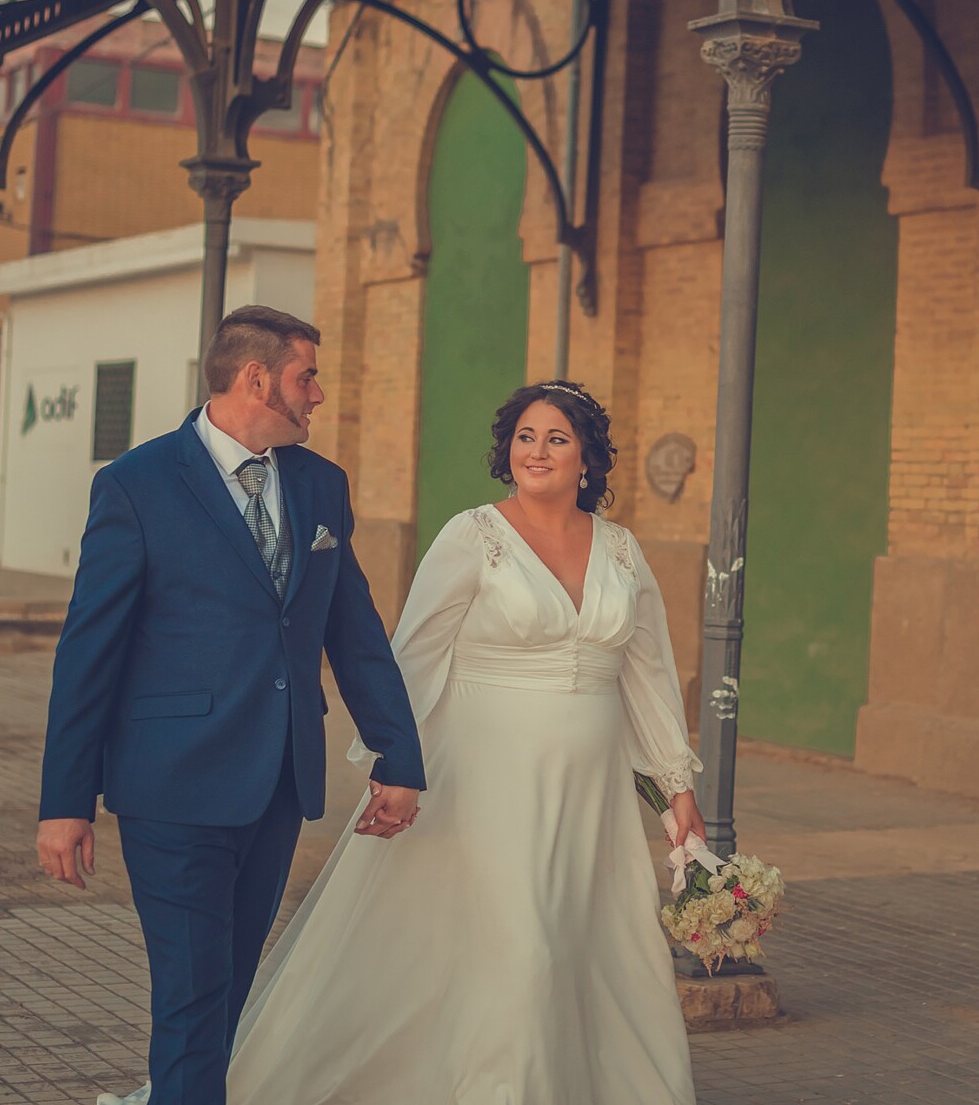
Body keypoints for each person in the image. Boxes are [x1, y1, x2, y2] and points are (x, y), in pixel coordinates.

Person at [224, 379, 703, 1104]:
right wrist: (392, 764)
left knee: (599, 946)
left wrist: (678, 788)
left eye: (557, 438)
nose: (537, 450)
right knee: (523, 946)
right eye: (525, 436)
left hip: (591, 793)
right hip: (488, 781)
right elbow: (412, 657)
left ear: (588, 460)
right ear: (507, 452)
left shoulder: (623, 551)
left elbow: (649, 676)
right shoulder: (471, 535)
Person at [35, 305, 426, 1105]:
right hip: (171, 788)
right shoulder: (136, 485)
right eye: (306, 376)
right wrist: (64, 801)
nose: (318, 394)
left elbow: (354, 632)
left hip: (277, 784)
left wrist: (399, 754)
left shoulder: (320, 485)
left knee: (223, 1000)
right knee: (190, 1001)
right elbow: (88, 653)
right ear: (256, 378)